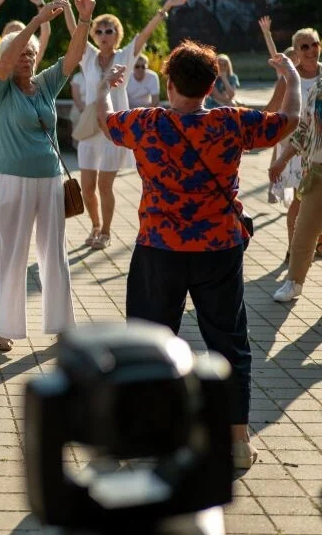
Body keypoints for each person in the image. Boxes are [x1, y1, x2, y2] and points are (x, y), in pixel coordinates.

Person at [97, 43, 301, 469]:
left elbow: (104, 122)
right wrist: (293, 78)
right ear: (211, 86)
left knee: (150, 343)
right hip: (218, 250)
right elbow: (290, 121)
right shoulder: (231, 122)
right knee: (228, 342)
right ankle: (237, 440)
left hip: (159, 248)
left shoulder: (148, 123)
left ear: (168, 84)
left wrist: (104, 85)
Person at [49, 0, 191, 250]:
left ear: (117, 34)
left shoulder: (126, 55)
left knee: (105, 185)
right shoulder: (87, 56)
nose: (104, 34)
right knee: (87, 186)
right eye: (99, 31)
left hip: (115, 128)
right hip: (91, 128)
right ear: (93, 35)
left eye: (109, 30)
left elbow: (146, 34)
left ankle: (105, 230)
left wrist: (167, 6)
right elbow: (73, 30)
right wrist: (66, 1)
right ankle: (93, 225)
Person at [0, 0, 91, 353]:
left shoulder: (45, 83)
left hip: (49, 180)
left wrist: (83, 17)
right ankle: (6, 329)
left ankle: (62, 325)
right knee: (12, 253)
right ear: (8, 57)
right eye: (21, 54)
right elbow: (5, 60)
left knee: (55, 254)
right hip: (11, 180)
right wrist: (35, 22)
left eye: (31, 54)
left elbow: (75, 55)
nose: (27, 58)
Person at [264, 27, 321, 261]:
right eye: (304, 46)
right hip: (295, 148)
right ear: (296, 51)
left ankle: (316, 243)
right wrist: (246, 129)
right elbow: (270, 109)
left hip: (319, 149)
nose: (310, 50)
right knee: (300, 198)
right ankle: (293, 248)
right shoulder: (290, 79)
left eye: (314, 44)